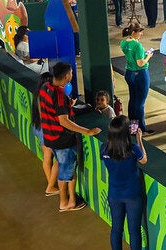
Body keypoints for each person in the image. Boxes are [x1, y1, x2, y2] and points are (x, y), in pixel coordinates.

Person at [39, 62, 101, 211]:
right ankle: (65, 203)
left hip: (49, 136)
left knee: (62, 167)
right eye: (72, 73)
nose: (72, 75)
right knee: (66, 174)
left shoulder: (45, 88)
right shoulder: (59, 95)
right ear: (67, 76)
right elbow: (64, 121)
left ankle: (69, 199)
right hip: (62, 140)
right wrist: (87, 131)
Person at [102, 115, 147, 250]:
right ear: (127, 132)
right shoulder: (133, 149)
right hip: (132, 195)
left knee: (116, 229)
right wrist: (139, 140)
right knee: (134, 231)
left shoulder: (104, 149)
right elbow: (144, 160)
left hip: (114, 194)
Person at [121, 25, 154, 134]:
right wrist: (148, 56)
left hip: (129, 74)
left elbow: (131, 55)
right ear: (134, 32)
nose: (142, 34)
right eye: (140, 32)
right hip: (140, 75)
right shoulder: (138, 45)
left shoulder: (124, 43)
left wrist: (142, 55)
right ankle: (142, 128)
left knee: (133, 100)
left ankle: (133, 127)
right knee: (140, 103)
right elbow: (140, 63)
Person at [31, 71, 58, 197]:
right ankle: (50, 186)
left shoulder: (37, 95)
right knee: (59, 158)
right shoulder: (47, 96)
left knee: (47, 156)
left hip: (38, 127)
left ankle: (50, 184)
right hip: (47, 130)